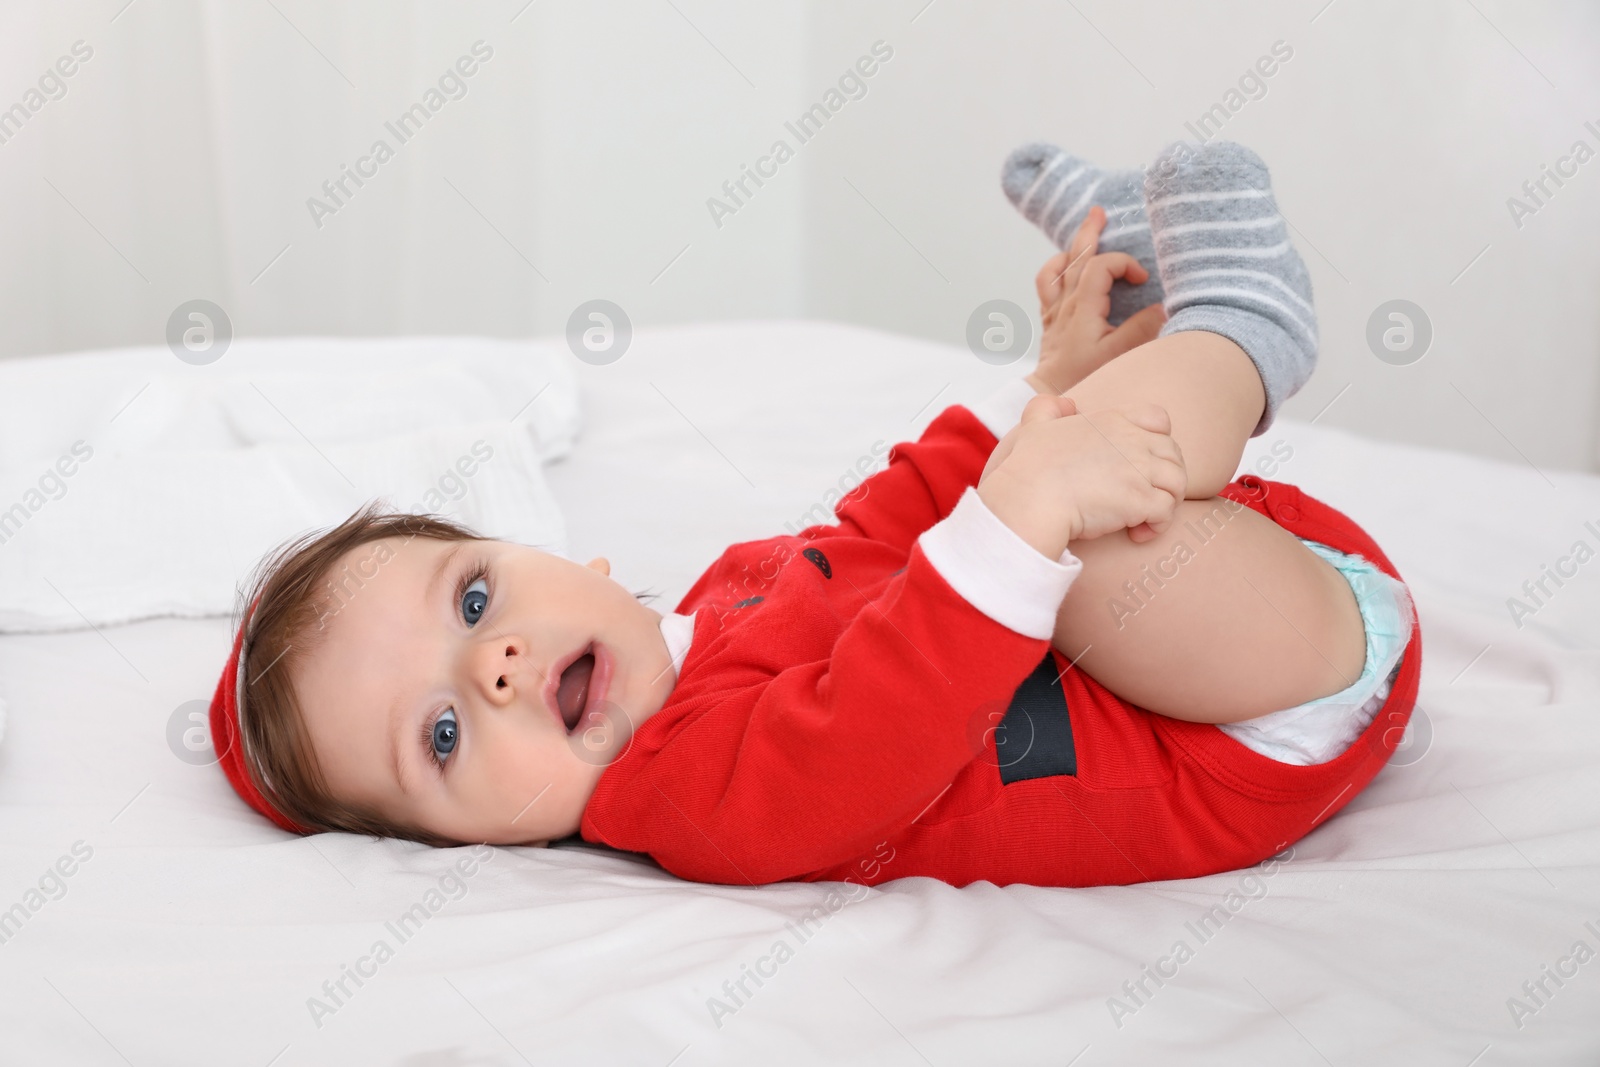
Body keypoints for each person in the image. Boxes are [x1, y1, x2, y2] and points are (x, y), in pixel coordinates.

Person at [208, 140, 1419, 888]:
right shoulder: (691, 801)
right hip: (1247, 725)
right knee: (1076, 537)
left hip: (1256, 582)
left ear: (569, 557)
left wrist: (1038, 388)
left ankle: (1135, 286)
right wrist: (1026, 498)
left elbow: (889, 520)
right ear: (467, 845)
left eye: (474, 599)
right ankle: (1246, 325)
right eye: (442, 738)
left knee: (1055, 471)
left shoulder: (724, 591)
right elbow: (877, 727)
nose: (500, 666)